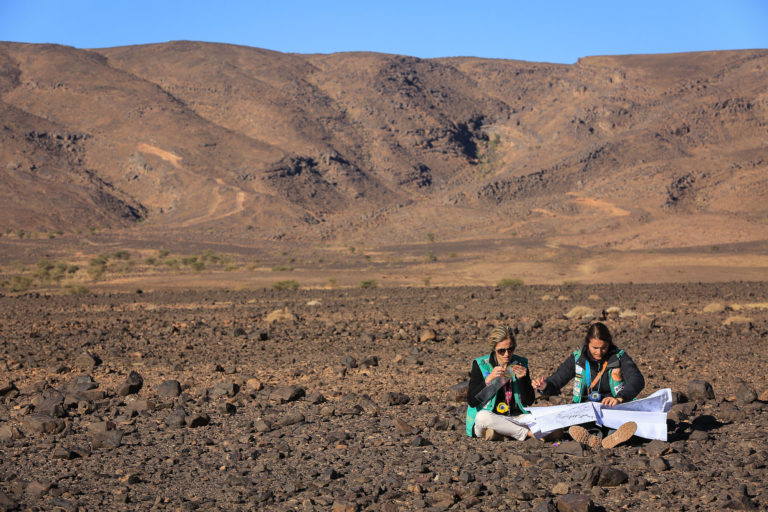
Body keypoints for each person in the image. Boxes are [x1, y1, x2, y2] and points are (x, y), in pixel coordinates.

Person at [532, 322, 645, 448]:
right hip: (585, 409)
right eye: (595, 348)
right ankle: (602, 437)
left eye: (604, 347)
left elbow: (637, 379)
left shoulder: (619, 357)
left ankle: (607, 436)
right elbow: (558, 379)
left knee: (626, 422)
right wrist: (545, 386)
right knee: (574, 424)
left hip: (612, 408)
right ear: (587, 344)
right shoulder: (578, 358)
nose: (599, 352)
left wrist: (620, 398)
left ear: (609, 344)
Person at [466, 325, 536, 441]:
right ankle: (527, 433)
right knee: (483, 417)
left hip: (514, 416)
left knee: (538, 418)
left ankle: (501, 433)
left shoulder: (520, 364)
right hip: (490, 417)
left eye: (510, 349)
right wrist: (488, 380)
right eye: (501, 351)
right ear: (494, 349)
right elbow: (472, 402)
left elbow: (528, 401)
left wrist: (522, 380)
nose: (507, 354)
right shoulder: (481, 365)